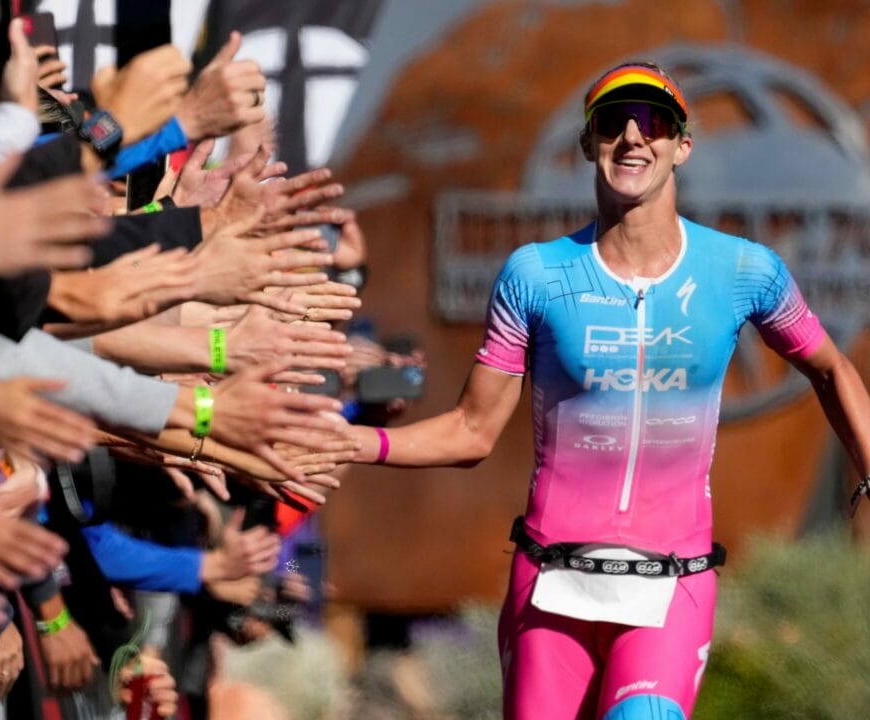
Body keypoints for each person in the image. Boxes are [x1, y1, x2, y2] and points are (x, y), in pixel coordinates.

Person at [346, 61, 870, 720]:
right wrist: (349, 440)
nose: (632, 137)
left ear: (682, 145)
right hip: (550, 587)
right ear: (588, 144)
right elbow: (473, 431)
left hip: (669, 588)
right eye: (612, 123)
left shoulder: (744, 271)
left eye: (653, 122)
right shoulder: (535, 275)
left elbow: (832, 369)